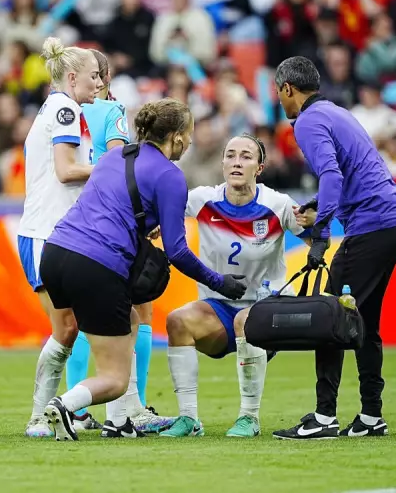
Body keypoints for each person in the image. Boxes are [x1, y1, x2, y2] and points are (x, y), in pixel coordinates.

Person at [39, 98, 248, 441]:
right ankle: (65, 405)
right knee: (114, 379)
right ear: (176, 137)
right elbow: (177, 251)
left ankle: (115, 422)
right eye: (189, 134)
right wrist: (219, 283)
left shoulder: (113, 156)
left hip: (56, 252)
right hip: (96, 264)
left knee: (127, 320)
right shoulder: (170, 175)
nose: (190, 142)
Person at [271, 56, 396, 440]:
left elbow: (332, 174)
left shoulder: (308, 121)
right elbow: (350, 173)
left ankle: (324, 417)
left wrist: (320, 234)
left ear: (287, 88)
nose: (279, 101)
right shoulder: (337, 113)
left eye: (278, 93)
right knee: (364, 321)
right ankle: (371, 416)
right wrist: (319, 204)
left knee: (329, 318)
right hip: (395, 221)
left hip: (372, 225)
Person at [160, 133, 313, 439]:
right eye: (230, 155)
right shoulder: (202, 200)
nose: (236, 162)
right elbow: (162, 209)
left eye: (246, 156)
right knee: (177, 320)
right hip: (218, 310)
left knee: (246, 319)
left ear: (260, 168)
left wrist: (316, 224)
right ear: (222, 164)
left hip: (267, 309)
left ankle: (249, 418)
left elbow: (316, 236)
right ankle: (189, 419)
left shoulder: (278, 204)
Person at [64, 49, 173, 434]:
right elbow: (118, 166)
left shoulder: (60, 111)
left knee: (79, 318)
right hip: (109, 221)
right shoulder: (111, 111)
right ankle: (132, 406)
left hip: (67, 222)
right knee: (139, 311)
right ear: (104, 77)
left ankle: (76, 408)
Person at [18, 37, 102, 438]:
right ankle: (39, 416)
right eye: (93, 75)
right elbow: (67, 171)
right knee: (66, 328)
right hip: (45, 234)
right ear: (71, 77)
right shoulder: (65, 110)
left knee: (75, 326)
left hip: (60, 233)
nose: (99, 82)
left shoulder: (60, 109)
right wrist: (112, 167)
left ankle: (71, 409)